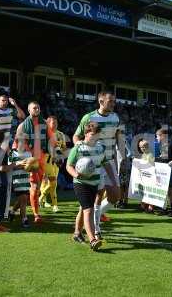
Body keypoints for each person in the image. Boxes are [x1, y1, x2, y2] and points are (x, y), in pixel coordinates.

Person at [73, 91, 123, 240]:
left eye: (114, 101)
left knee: (115, 196)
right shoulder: (89, 117)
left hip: (109, 162)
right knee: (92, 199)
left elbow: (118, 137)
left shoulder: (116, 118)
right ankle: (88, 231)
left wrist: (122, 156)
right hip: (93, 164)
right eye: (111, 101)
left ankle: (95, 217)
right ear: (101, 101)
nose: (113, 104)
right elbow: (76, 136)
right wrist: (81, 148)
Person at [67, 122, 117, 251]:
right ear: (86, 134)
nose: (93, 137)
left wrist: (113, 179)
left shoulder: (100, 147)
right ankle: (93, 240)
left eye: (96, 135)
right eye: (91, 135)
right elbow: (68, 166)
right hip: (81, 184)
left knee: (83, 209)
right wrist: (76, 174)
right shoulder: (78, 148)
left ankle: (77, 233)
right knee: (88, 210)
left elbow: (106, 164)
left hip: (94, 183)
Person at [15, 101, 48, 223]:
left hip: (42, 159)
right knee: (34, 187)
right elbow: (19, 144)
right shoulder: (23, 126)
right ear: (29, 110)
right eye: (34, 108)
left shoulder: (44, 124)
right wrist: (29, 157)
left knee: (35, 188)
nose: (37, 110)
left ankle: (13, 210)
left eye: (38, 108)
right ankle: (36, 215)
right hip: (29, 161)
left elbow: (49, 140)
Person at [39, 116, 67, 213]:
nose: (55, 124)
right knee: (51, 182)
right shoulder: (44, 134)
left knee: (52, 183)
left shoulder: (61, 134)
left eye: (56, 122)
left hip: (56, 162)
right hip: (46, 161)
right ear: (48, 123)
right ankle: (54, 205)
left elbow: (63, 147)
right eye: (53, 122)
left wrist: (61, 157)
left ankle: (42, 198)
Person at [8, 140, 31, 228]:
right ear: (17, 143)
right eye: (21, 142)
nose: (23, 144)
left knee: (22, 200)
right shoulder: (12, 153)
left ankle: (12, 211)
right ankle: (24, 219)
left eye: (25, 142)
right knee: (24, 199)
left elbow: (32, 167)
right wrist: (21, 164)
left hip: (26, 180)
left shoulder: (29, 154)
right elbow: (9, 166)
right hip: (16, 180)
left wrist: (31, 167)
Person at [155, 128, 172, 217]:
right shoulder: (162, 144)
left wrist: (171, 162)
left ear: (163, 135)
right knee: (163, 189)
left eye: (157, 136)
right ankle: (164, 209)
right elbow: (163, 156)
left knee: (169, 189)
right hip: (162, 169)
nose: (156, 138)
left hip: (168, 169)